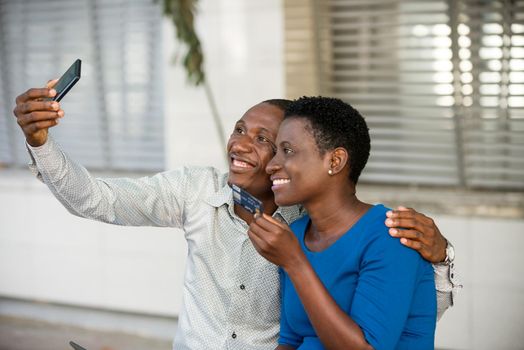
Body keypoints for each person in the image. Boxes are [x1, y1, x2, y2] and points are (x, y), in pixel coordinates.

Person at [13, 82, 460, 350]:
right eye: (240, 129)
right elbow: (98, 200)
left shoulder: (321, 224)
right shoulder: (199, 190)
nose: (241, 145)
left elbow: (398, 316)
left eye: (272, 142)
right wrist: (40, 143)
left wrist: (441, 259)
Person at [248, 96, 436, 349]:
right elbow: (290, 340)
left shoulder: (391, 236)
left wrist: (294, 262)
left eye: (288, 151)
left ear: (335, 161)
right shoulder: (294, 233)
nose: (271, 165)